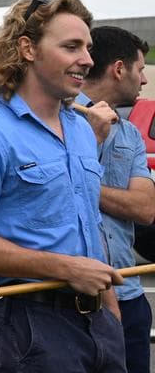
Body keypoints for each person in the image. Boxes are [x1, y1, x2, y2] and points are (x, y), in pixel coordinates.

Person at [0, 0, 125, 372]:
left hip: (99, 323)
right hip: (32, 325)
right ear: (27, 48)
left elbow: (91, 228)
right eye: (71, 46)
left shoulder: (82, 130)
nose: (87, 60)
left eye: (87, 47)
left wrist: (112, 317)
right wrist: (67, 269)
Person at [80, 26, 153, 373]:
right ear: (119, 68)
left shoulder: (131, 134)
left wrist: (83, 187)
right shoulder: (56, 122)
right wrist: (91, 140)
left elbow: (144, 209)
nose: (144, 81)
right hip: (74, 301)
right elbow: (54, 197)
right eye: (141, 70)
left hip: (131, 296)